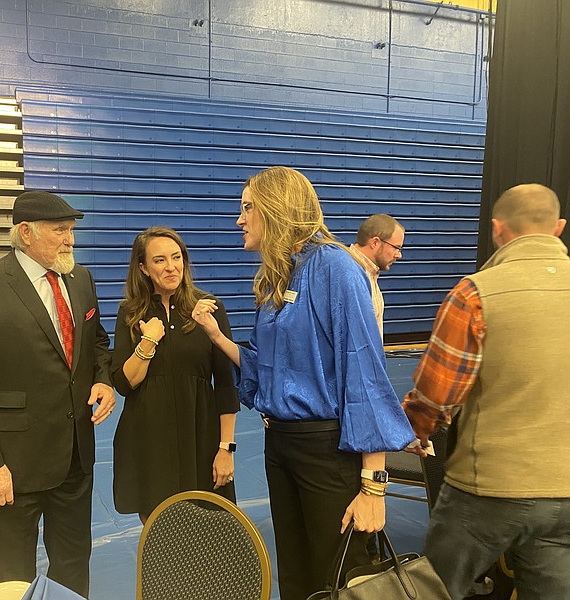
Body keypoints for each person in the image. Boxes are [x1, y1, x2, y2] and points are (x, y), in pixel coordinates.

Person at [192, 166, 414, 598]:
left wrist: (373, 485)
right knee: (295, 577)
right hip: (282, 447)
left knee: (338, 578)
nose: (240, 219)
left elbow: (363, 376)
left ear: (276, 208)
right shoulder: (281, 274)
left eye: (247, 208)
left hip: (325, 450)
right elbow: (265, 367)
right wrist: (218, 337)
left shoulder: (335, 268)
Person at [0, 190, 115, 598]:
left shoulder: (81, 279)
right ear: (26, 232)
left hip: (74, 458)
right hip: (11, 468)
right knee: (15, 577)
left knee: (73, 567)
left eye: (71, 230)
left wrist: (103, 379)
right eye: (60, 231)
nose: (70, 239)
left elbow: (97, 343)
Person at [402, 183, 570, 600]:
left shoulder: (475, 293)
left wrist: (415, 431)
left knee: (433, 588)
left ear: (497, 230)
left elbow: (437, 393)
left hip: (489, 488)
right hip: (565, 493)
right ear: (559, 228)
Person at [111, 226, 239, 522]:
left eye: (176, 257)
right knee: (158, 529)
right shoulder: (130, 313)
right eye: (159, 260)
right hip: (149, 438)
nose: (171, 267)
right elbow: (123, 383)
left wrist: (226, 449)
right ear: (142, 268)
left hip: (202, 435)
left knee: (209, 526)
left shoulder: (208, 308)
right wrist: (148, 341)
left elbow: (225, 386)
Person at [348, 214, 405, 338]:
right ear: (375, 243)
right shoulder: (349, 275)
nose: (398, 255)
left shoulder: (368, 273)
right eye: (396, 248)